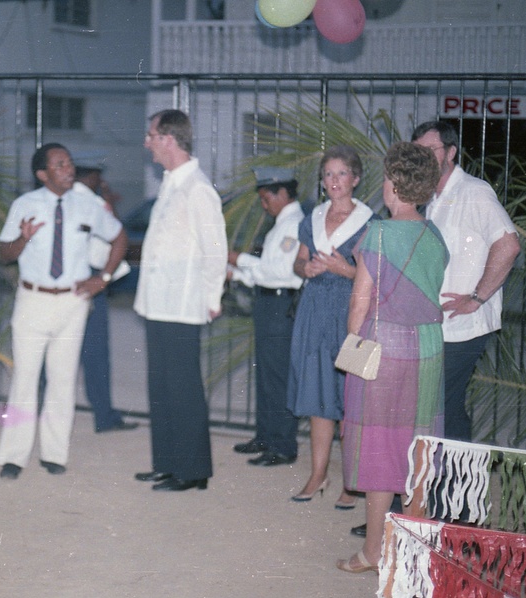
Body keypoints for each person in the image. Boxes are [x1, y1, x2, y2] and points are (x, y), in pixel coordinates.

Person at [337, 142, 447, 573]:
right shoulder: (434, 234)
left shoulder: (380, 234)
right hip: (429, 349)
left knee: (377, 447)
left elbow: (359, 300)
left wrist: (353, 343)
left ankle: (373, 551)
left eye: (385, 177)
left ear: (395, 185)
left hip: (384, 352)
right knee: (416, 448)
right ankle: (414, 553)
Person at [0, 143, 128, 479]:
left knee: (62, 379)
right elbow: (4, 253)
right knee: (25, 379)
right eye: (60, 165)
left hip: (72, 302)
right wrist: (23, 239)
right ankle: (14, 456)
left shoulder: (88, 204)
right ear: (43, 174)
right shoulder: (24, 205)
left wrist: (105, 278)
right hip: (33, 300)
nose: (69, 169)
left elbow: (119, 237)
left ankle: (55, 453)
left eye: (69, 163)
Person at [133, 109, 227, 492]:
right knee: (161, 387)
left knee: (183, 389)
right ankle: (167, 462)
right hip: (158, 303)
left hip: (183, 304)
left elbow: (215, 250)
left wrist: (212, 296)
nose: (147, 142)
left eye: (151, 135)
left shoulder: (198, 189)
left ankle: (192, 471)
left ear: (168, 139)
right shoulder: (172, 183)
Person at [412, 120, 521, 442]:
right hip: (438, 324)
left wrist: (477, 297)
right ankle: (449, 485)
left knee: (440, 404)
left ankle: (449, 486)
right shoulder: (429, 198)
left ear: (451, 152)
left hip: (463, 325)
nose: (424, 158)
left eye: (430, 150)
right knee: (443, 405)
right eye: (418, 152)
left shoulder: (473, 192)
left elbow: (509, 244)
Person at [287, 145, 374, 508]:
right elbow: (298, 262)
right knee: (317, 396)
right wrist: (303, 269)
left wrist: (344, 270)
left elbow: (376, 276)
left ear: (355, 179)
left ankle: (353, 483)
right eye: (328, 174)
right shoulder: (313, 217)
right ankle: (317, 474)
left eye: (341, 174)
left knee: (351, 398)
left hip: (353, 311)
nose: (334, 181)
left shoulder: (371, 221)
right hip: (314, 310)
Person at [229, 167, 305, 466]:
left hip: (280, 306)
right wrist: (238, 272)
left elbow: (279, 272)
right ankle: (265, 435)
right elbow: (265, 272)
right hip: (268, 303)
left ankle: (282, 445)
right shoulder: (281, 225)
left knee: (277, 377)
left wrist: (238, 259)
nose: (264, 205)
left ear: (283, 193)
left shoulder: (293, 225)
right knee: (266, 373)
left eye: (266, 198)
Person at [74, 160, 137, 433]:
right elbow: (118, 236)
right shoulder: (95, 204)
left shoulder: (63, 199)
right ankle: (104, 416)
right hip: (91, 277)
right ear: (92, 177)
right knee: (96, 352)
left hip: (64, 278)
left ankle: (38, 412)